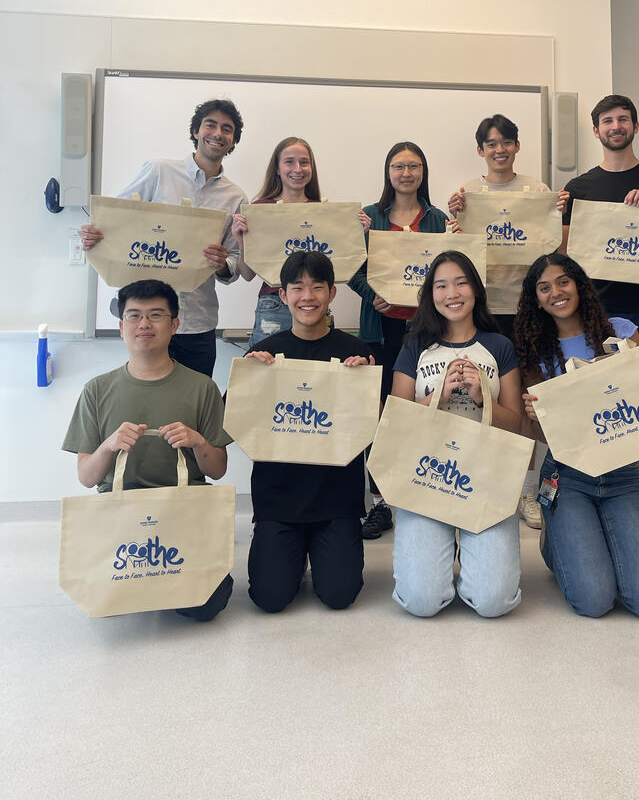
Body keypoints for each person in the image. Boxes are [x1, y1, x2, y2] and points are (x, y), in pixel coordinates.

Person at [514, 253, 639, 620]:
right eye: (544, 288)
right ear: (536, 299)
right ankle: (557, 539)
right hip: (566, 474)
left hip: (624, 474)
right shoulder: (533, 350)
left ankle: (582, 536)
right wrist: (534, 416)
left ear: (579, 284)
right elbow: (536, 432)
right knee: (593, 601)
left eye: (563, 282)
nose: (556, 293)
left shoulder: (621, 331)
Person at [61, 279, 233, 621]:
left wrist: (198, 441)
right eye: (134, 316)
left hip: (183, 513)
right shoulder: (96, 390)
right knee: (107, 600)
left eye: (156, 315)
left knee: (206, 605)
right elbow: (86, 477)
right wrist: (109, 445)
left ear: (174, 325)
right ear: (121, 325)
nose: (144, 324)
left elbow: (217, 470)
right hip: (121, 517)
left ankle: (154, 583)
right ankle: (149, 582)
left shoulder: (203, 388)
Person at [561, 94, 639, 549]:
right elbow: (564, 254)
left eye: (623, 119)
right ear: (596, 131)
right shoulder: (578, 188)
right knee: (600, 409)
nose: (616, 126)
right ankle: (600, 504)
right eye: (607, 120)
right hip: (593, 314)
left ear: (635, 126)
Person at [390, 250, 524, 618]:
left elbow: (517, 427)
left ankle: (474, 553)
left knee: (494, 602)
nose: (452, 292)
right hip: (426, 474)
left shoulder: (500, 346)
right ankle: (442, 546)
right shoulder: (415, 345)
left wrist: (484, 401)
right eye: (441, 285)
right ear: (430, 295)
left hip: (486, 474)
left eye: (461, 282)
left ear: (476, 290)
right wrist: (437, 397)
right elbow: (396, 421)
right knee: (421, 601)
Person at [243, 250, 376, 613]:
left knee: (339, 595)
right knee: (269, 598)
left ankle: (319, 551)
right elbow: (236, 424)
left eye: (317, 287)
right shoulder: (264, 353)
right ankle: (292, 552)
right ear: (283, 295)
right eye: (297, 287)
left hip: (336, 501)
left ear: (332, 293)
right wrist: (250, 380)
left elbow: (377, 429)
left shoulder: (356, 352)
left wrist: (363, 383)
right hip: (278, 501)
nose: (308, 296)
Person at [80, 99, 247, 378]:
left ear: (233, 141)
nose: (218, 133)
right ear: (196, 131)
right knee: (148, 402)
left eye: (227, 129)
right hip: (149, 318)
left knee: (194, 405)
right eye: (210, 124)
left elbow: (234, 264)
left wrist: (221, 264)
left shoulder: (236, 197)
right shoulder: (158, 172)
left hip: (197, 323)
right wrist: (93, 233)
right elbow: (115, 221)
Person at [447, 113, 555, 531]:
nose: (499, 149)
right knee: (481, 397)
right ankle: (485, 481)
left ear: (517, 146)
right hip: (485, 310)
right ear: (481, 150)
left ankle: (527, 489)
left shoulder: (537, 190)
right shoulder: (467, 194)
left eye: (507, 142)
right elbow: (457, 253)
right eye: (491, 144)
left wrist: (555, 212)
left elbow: (549, 247)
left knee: (527, 399)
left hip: (529, 309)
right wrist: (453, 218)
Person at [349, 141, 451, 541]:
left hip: (427, 332)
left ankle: (423, 491)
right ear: (388, 172)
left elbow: (452, 268)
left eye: (413, 166)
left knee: (426, 410)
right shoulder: (369, 218)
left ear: (423, 172)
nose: (406, 173)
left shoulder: (438, 218)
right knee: (378, 415)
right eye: (398, 166)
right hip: (381, 330)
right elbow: (351, 266)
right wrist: (369, 292)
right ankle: (379, 504)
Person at [232, 136, 369, 348]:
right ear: (277, 169)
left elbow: (339, 265)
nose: (298, 168)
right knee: (269, 374)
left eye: (304, 162)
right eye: (289, 162)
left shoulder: (324, 212)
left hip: (314, 303)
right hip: (274, 303)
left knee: (314, 372)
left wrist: (357, 234)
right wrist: (242, 243)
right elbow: (248, 275)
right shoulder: (260, 209)